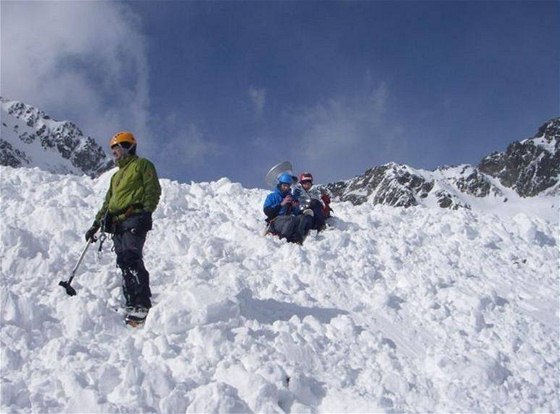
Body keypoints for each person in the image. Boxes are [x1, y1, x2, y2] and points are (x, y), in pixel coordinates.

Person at [84, 131, 161, 325]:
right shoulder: (115, 177)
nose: (113, 153)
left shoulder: (142, 165)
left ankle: (142, 304)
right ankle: (131, 302)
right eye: (112, 150)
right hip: (117, 223)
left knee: (132, 258)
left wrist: (146, 212)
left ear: (127, 146)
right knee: (123, 262)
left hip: (135, 217)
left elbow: (153, 188)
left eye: (116, 148)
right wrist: (96, 224)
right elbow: (108, 202)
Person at [263, 172, 313, 244]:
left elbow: (295, 213)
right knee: (291, 218)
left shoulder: (290, 197)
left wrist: (295, 207)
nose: (286, 188)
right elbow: (267, 211)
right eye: (284, 185)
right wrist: (281, 204)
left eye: (288, 186)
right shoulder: (272, 196)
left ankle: (297, 238)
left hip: (287, 221)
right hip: (275, 221)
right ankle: (283, 238)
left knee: (302, 217)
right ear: (280, 184)